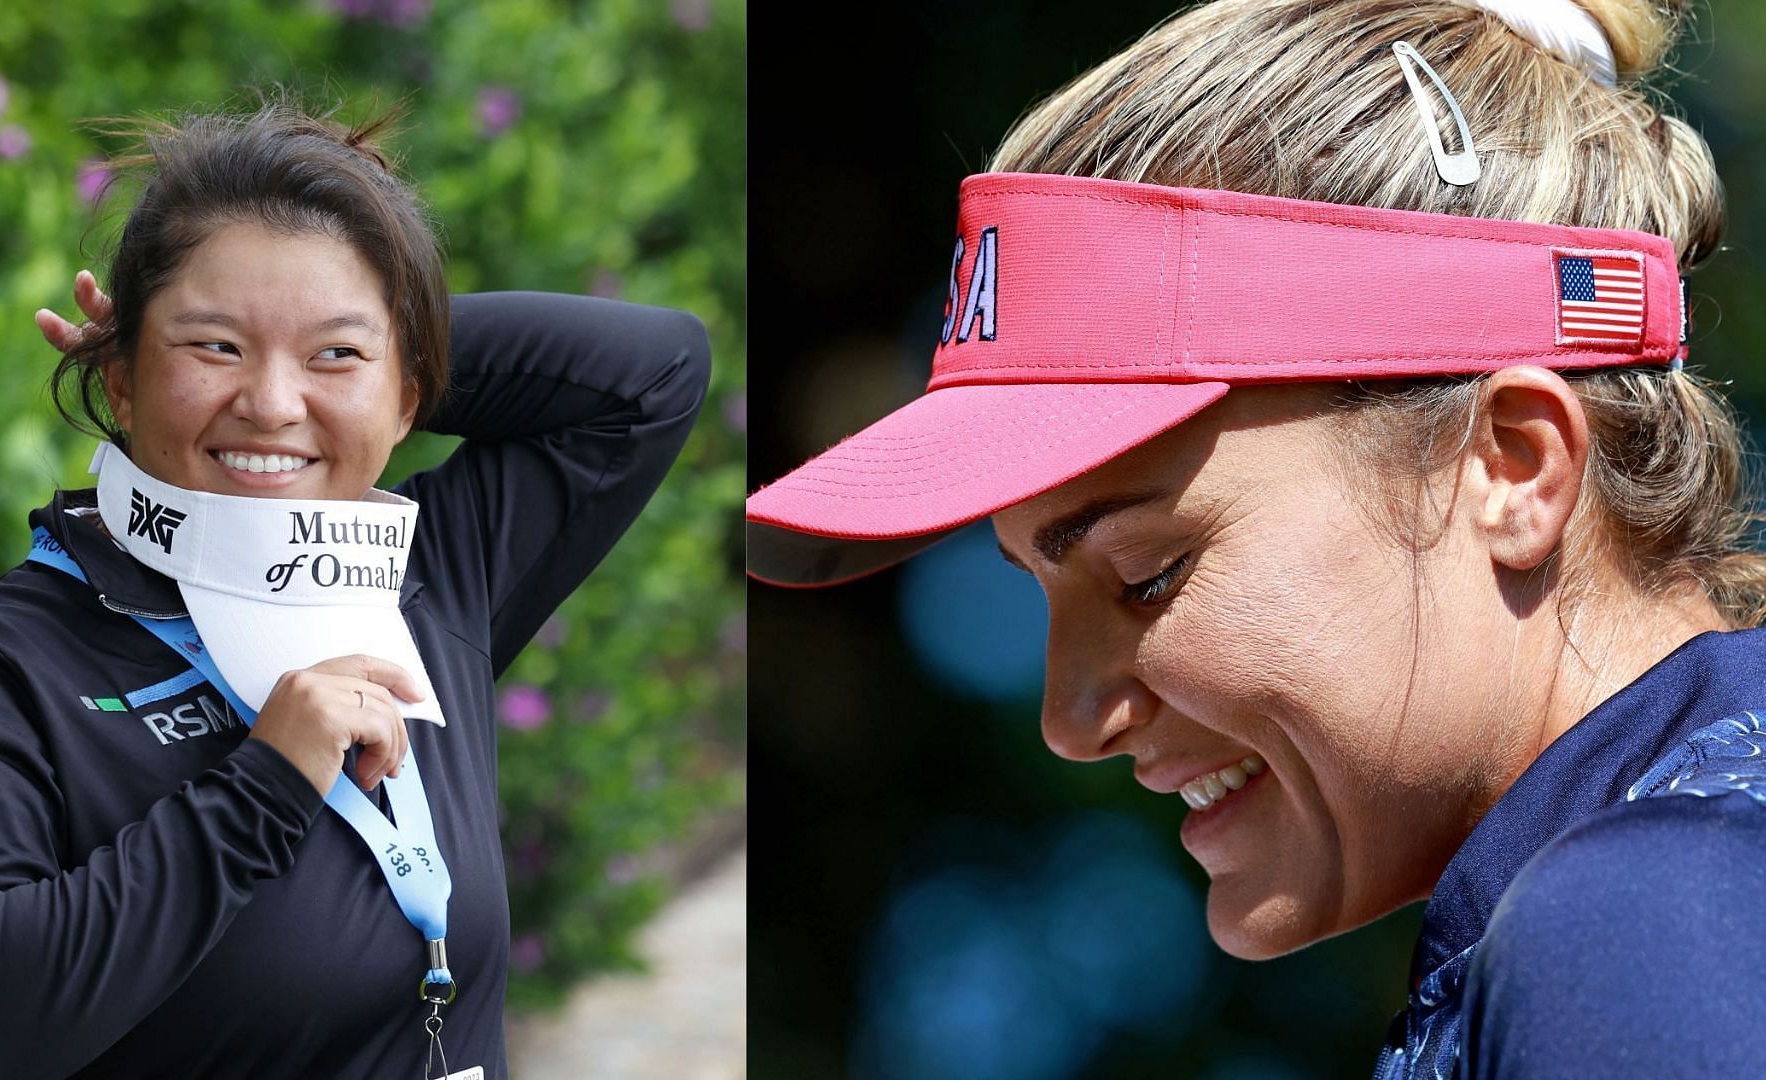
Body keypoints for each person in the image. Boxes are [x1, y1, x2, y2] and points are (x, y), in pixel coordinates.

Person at [747, 0, 1766, 1074]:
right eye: (1032, 590)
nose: (1070, 718)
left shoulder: (1639, 930)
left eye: (1147, 574)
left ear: (1509, 468)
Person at [0, 91, 710, 1079]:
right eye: (213, 348)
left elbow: (653, 372)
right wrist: (264, 787)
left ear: (409, 395)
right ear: (119, 380)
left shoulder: (428, 577)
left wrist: (374, 342)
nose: (269, 404)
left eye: (334, 357)